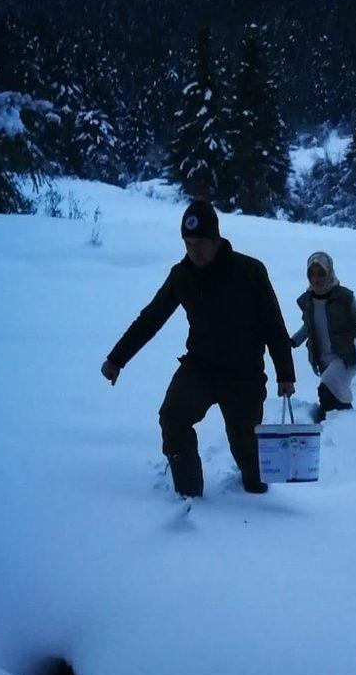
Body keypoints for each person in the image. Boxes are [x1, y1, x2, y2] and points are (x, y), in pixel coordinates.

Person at [101, 200, 295, 498]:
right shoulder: (182, 275)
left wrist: (286, 373)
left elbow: (274, 326)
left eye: (201, 243)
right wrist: (117, 358)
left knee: (247, 451)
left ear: (217, 239)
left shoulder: (250, 271)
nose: (194, 250)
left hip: (244, 375)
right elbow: (151, 318)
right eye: (188, 243)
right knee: (173, 418)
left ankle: (257, 498)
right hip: (200, 367)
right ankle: (189, 495)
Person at [291, 252, 356, 422]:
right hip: (321, 357)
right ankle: (350, 422)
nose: (316, 279)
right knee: (335, 394)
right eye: (312, 274)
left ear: (329, 272)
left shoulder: (344, 296)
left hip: (344, 356)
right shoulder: (308, 301)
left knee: (326, 387)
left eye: (321, 273)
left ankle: (327, 425)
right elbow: (308, 327)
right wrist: (293, 341)